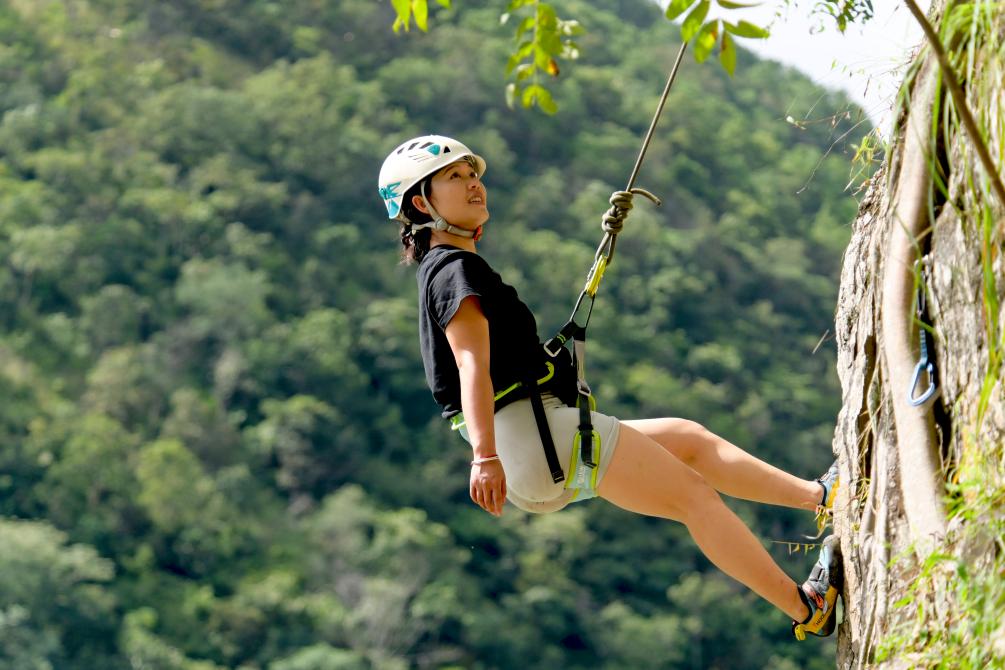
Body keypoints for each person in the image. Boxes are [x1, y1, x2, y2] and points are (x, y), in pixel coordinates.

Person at [378, 134, 843, 639]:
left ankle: (820, 496)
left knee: (687, 439)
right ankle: (807, 607)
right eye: (455, 177)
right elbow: (472, 365)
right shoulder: (453, 271)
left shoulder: (446, 270)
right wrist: (484, 457)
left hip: (534, 445)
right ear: (422, 204)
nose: (474, 184)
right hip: (530, 440)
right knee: (694, 498)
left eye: (473, 173)